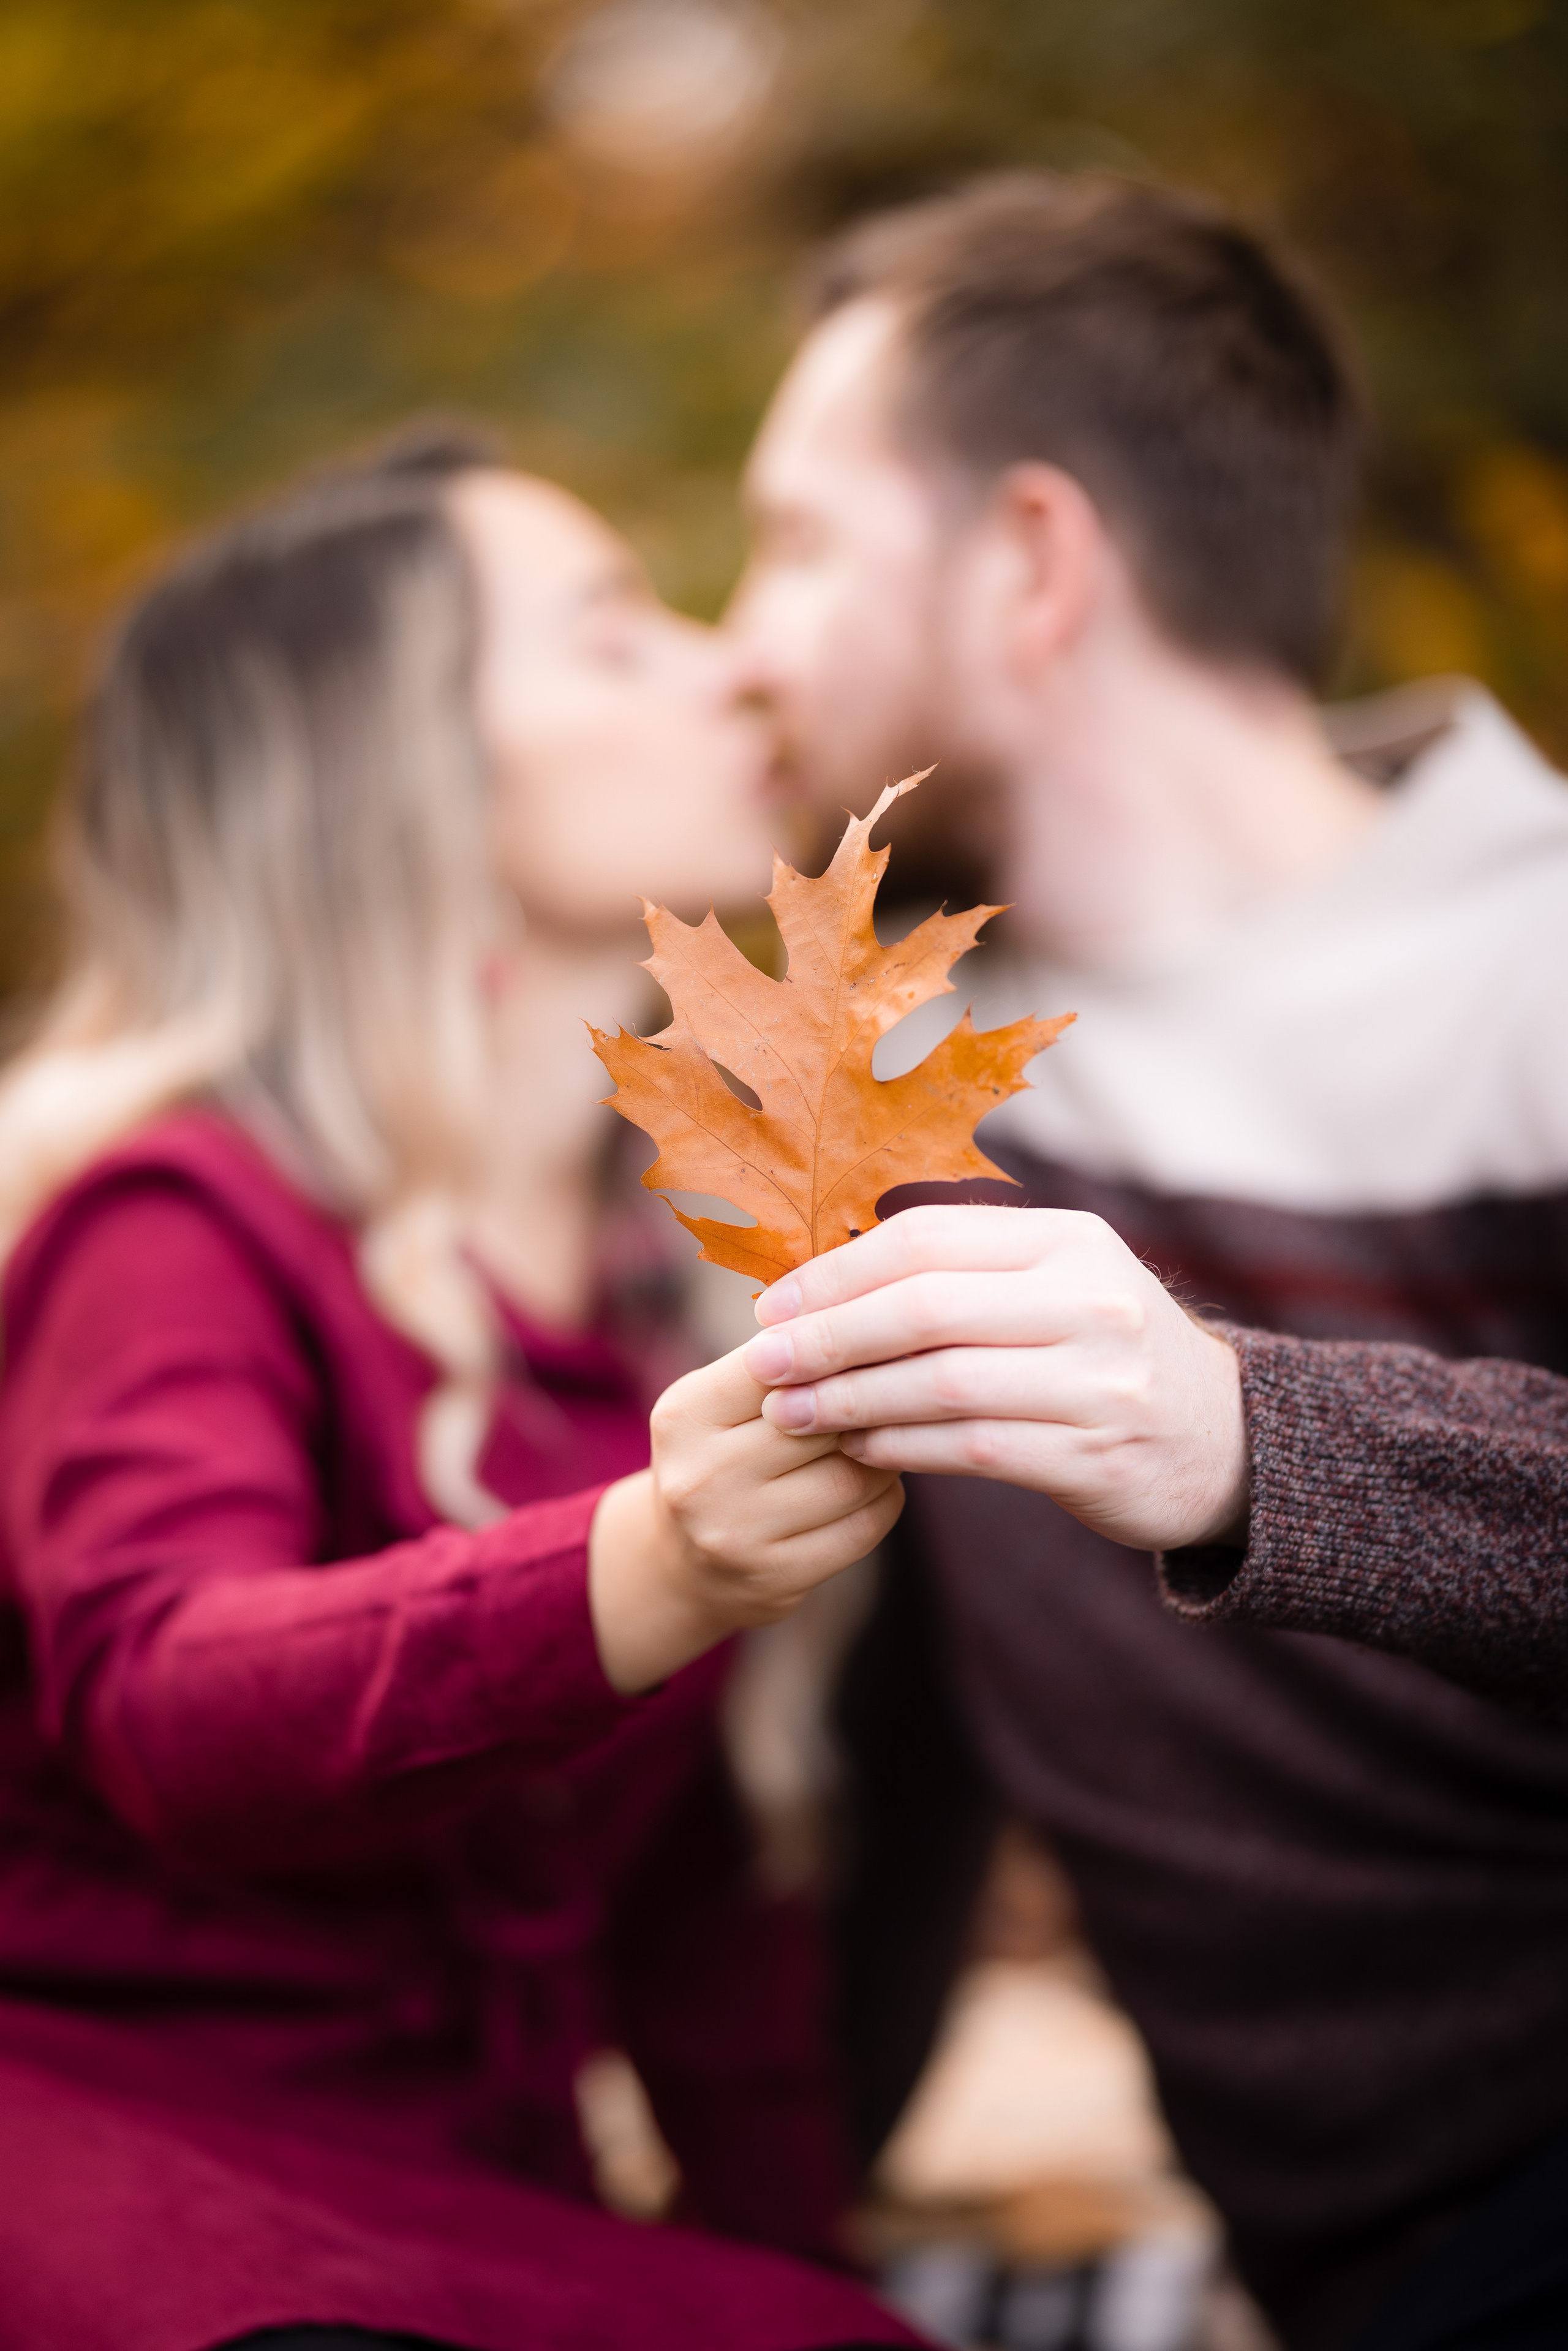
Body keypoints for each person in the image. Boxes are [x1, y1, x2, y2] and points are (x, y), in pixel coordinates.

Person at [725, 172, 1568, 2351]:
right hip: (1374, 2273)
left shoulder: (1540, 968)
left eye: (797, 543)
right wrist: (768, 2244)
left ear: (1032, 561)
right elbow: (926, 1734)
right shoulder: (888, 1089)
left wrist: (1247, 1434)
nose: (742, 645)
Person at [0, 444, 916, 2351]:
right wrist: (650, 1563)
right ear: (396, 770)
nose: (731, 667)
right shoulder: (177, 1218)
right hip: (126, 2164)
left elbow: (699, 1910)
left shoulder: (667, 1273)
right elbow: (165, 1694)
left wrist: (811, 2275)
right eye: (612, 636)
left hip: (467, 2197)